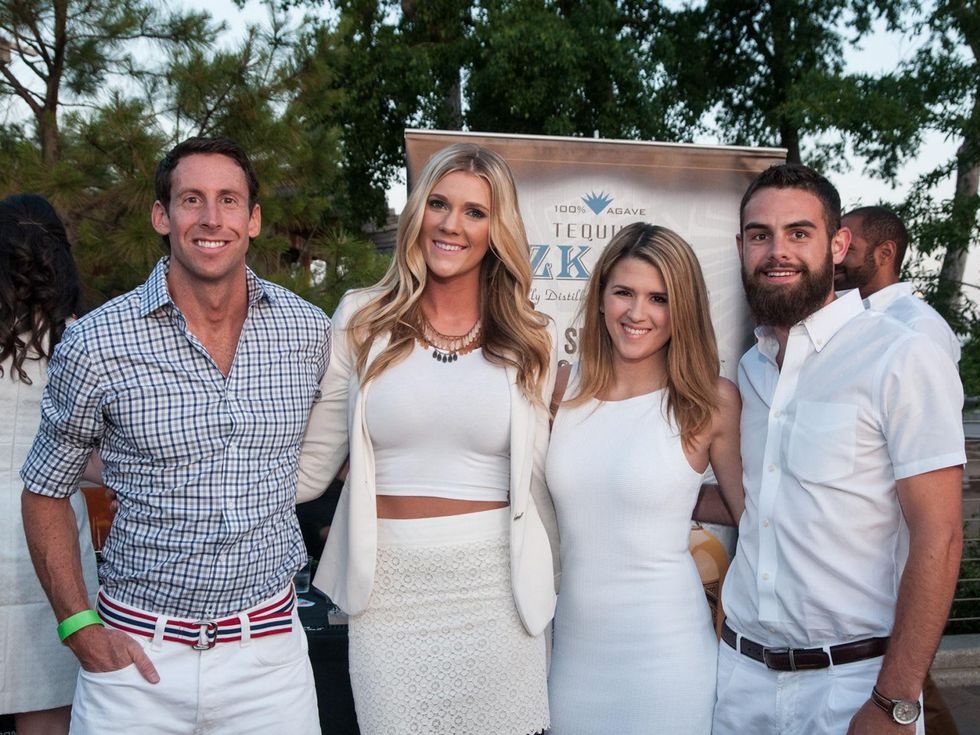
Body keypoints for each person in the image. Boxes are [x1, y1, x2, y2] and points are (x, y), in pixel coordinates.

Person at [20, 137, 329, 735]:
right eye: (192, 200)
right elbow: (45, 490)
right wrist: (79, 628)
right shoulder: (96, 344)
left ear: (253, 219)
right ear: (162, 216)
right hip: (136, 665)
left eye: (229, 200)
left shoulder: (307, 332)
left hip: (270, 665)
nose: (212, 218)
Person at [296, 143, 557, 735]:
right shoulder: (362, 318)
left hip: (496, 593)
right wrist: (178, 478)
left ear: (497, 230)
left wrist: (561, 588)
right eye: (439, 204)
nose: (451, 224)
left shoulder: (531, 335)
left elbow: (539, 482)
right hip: (387, 594)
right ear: (417, 212)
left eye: (474, 212)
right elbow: (313, 467)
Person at [713, 164, 965, 735]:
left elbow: (941, 535)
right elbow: (759, 500)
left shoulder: (899, 356)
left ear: (838, 245)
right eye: (760, 235)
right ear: (741, 247)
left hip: (852, 686)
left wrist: (895, 701)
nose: (777, 251)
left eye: (798, 233)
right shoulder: (752, 369)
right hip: (739, 682)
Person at [545, 223, 744, 734]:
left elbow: (752, 515)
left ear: (684, 309)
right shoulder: (560, 388)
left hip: (668, 659)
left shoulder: (709, 401)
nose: (637, 313)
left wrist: (675, 496)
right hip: (572, 656)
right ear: (600, 298)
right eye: (624, 293)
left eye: (659, 298)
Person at [0, 194, 99, 735]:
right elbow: (98, 461)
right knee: (47, 706)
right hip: (48, 528)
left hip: (44, 519)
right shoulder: (80, 338)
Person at [836, 205, 960, 363]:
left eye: (848, 249)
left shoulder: (918, 324)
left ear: (885, 253)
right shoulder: (844, 313)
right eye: (835, 247)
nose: (834, 258)